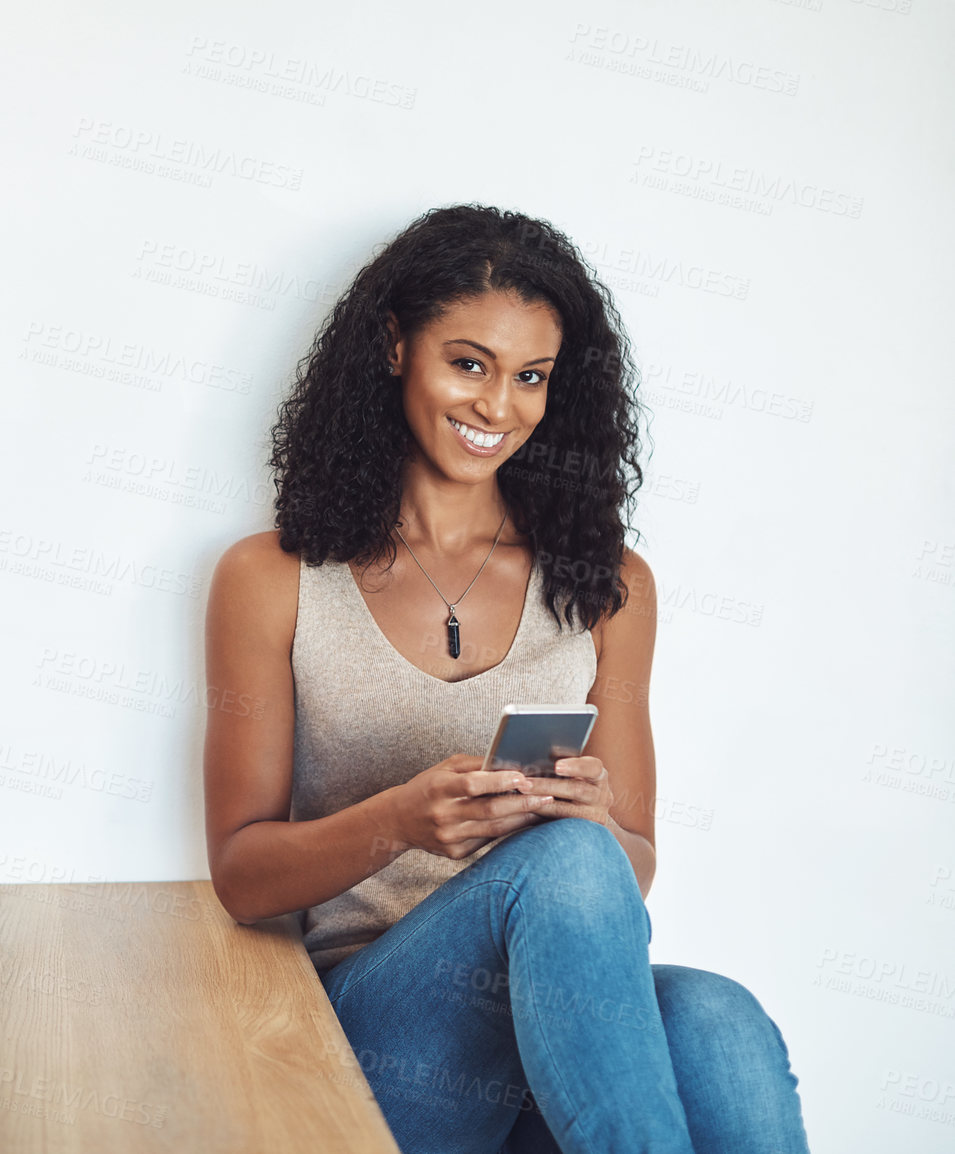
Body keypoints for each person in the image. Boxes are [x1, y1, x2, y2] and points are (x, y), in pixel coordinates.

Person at [202, 204, 810, 1153]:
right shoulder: (271, 577)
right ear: (396, 347)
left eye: (529, 377)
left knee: (714, 1013)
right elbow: (241, 878)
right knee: (568, 868)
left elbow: (632, 864)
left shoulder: (607, 585)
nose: (498, 407)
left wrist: (593, 822)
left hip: (550, 1036)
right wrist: (399, 821)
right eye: (470, 363)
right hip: (378, 1045)